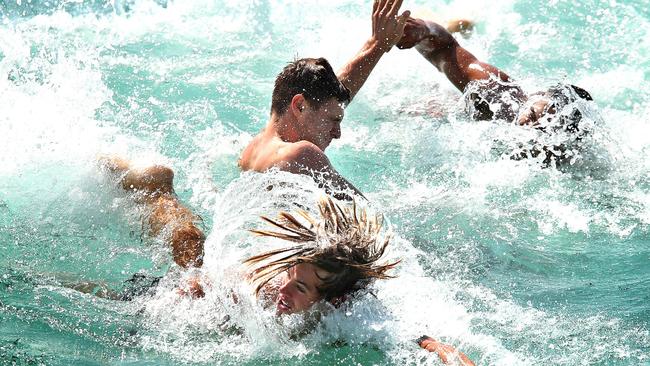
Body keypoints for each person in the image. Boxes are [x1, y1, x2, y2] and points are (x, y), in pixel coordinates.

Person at [96, 156, 475, 365]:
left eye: (301, 288)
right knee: (187, 253)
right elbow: (202, 284)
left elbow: (424, 342)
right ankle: (155, 191)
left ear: (333, 299)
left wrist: (447, 354)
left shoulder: (350, 308)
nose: (285, 290)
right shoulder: (261, 289)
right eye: (290, 277)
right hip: (196, 292)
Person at [239, 0, 411, 199]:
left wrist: (377, 44)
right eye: (334, 120)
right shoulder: (301, 155)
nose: (337, 133)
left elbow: (335, 97)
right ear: (300, 106)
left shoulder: (251, 152)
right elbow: (370, 218)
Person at [396, 16, 594, 165]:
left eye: (543, 129)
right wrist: (423, 30)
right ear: (535, 96)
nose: (529, 128)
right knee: (409, 110)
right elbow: (445, 48)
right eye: (532, 114)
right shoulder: (498, 93)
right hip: (451, 110)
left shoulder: (562, 155)